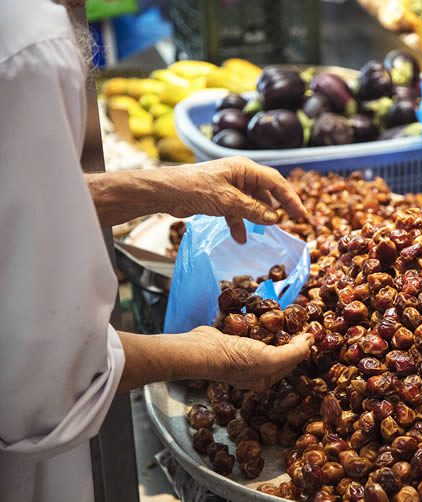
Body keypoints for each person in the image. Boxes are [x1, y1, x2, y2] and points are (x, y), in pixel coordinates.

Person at [0, 1, 313, 500]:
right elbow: (36, 381)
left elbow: (19, 204)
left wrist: (159, 187)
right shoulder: (29, 47)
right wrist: (202, 355)